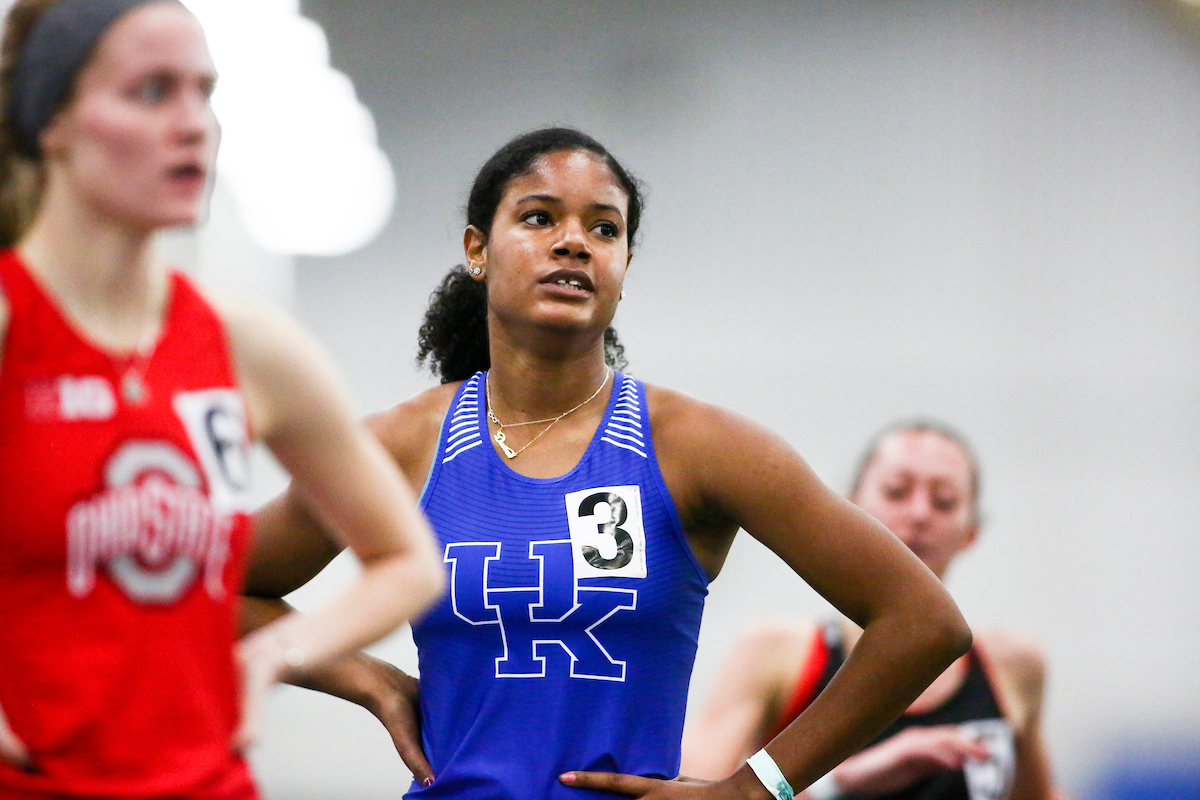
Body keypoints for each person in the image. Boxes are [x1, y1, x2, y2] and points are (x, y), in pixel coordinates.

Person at [243, 127, 973, 800]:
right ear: (477, 249)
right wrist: (365, 677)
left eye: (604, 228)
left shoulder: (698, 445)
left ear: (625, 266)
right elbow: (213, 588)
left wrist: (756, 787)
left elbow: (923, 622)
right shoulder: (400, 447)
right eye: (538, 218)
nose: (574, 243)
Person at [0, 1, 443, 797]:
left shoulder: (248, 347)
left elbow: (406, 559)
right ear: (52, 119)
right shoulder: (12, 325)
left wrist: (274, 654)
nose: (192, 124)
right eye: (150, 91)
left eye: (203, 93)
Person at [680, 421, 1067, 800]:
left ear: (970, 532)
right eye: (897, 492)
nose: (919, 514)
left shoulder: (1012, 665)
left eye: (944, 501)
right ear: (850, 513)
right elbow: (698, 794)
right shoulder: (776, 653)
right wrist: (844, 782)